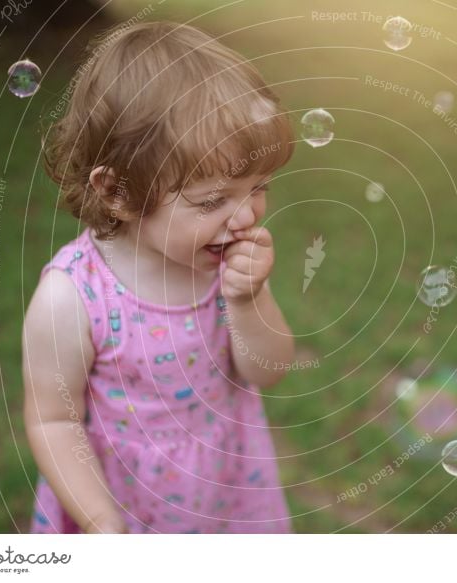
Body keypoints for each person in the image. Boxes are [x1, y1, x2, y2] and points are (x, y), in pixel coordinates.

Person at [23, 21, 296, 534]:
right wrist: (102, 520)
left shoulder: (227, 265)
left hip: (229, 488)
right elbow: (53, 420)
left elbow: (269, 370)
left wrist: (248, 299)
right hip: (127, 503)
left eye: (258, 186)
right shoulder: (72, 298)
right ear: (118, 192)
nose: (244, 218)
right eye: (212, 200)